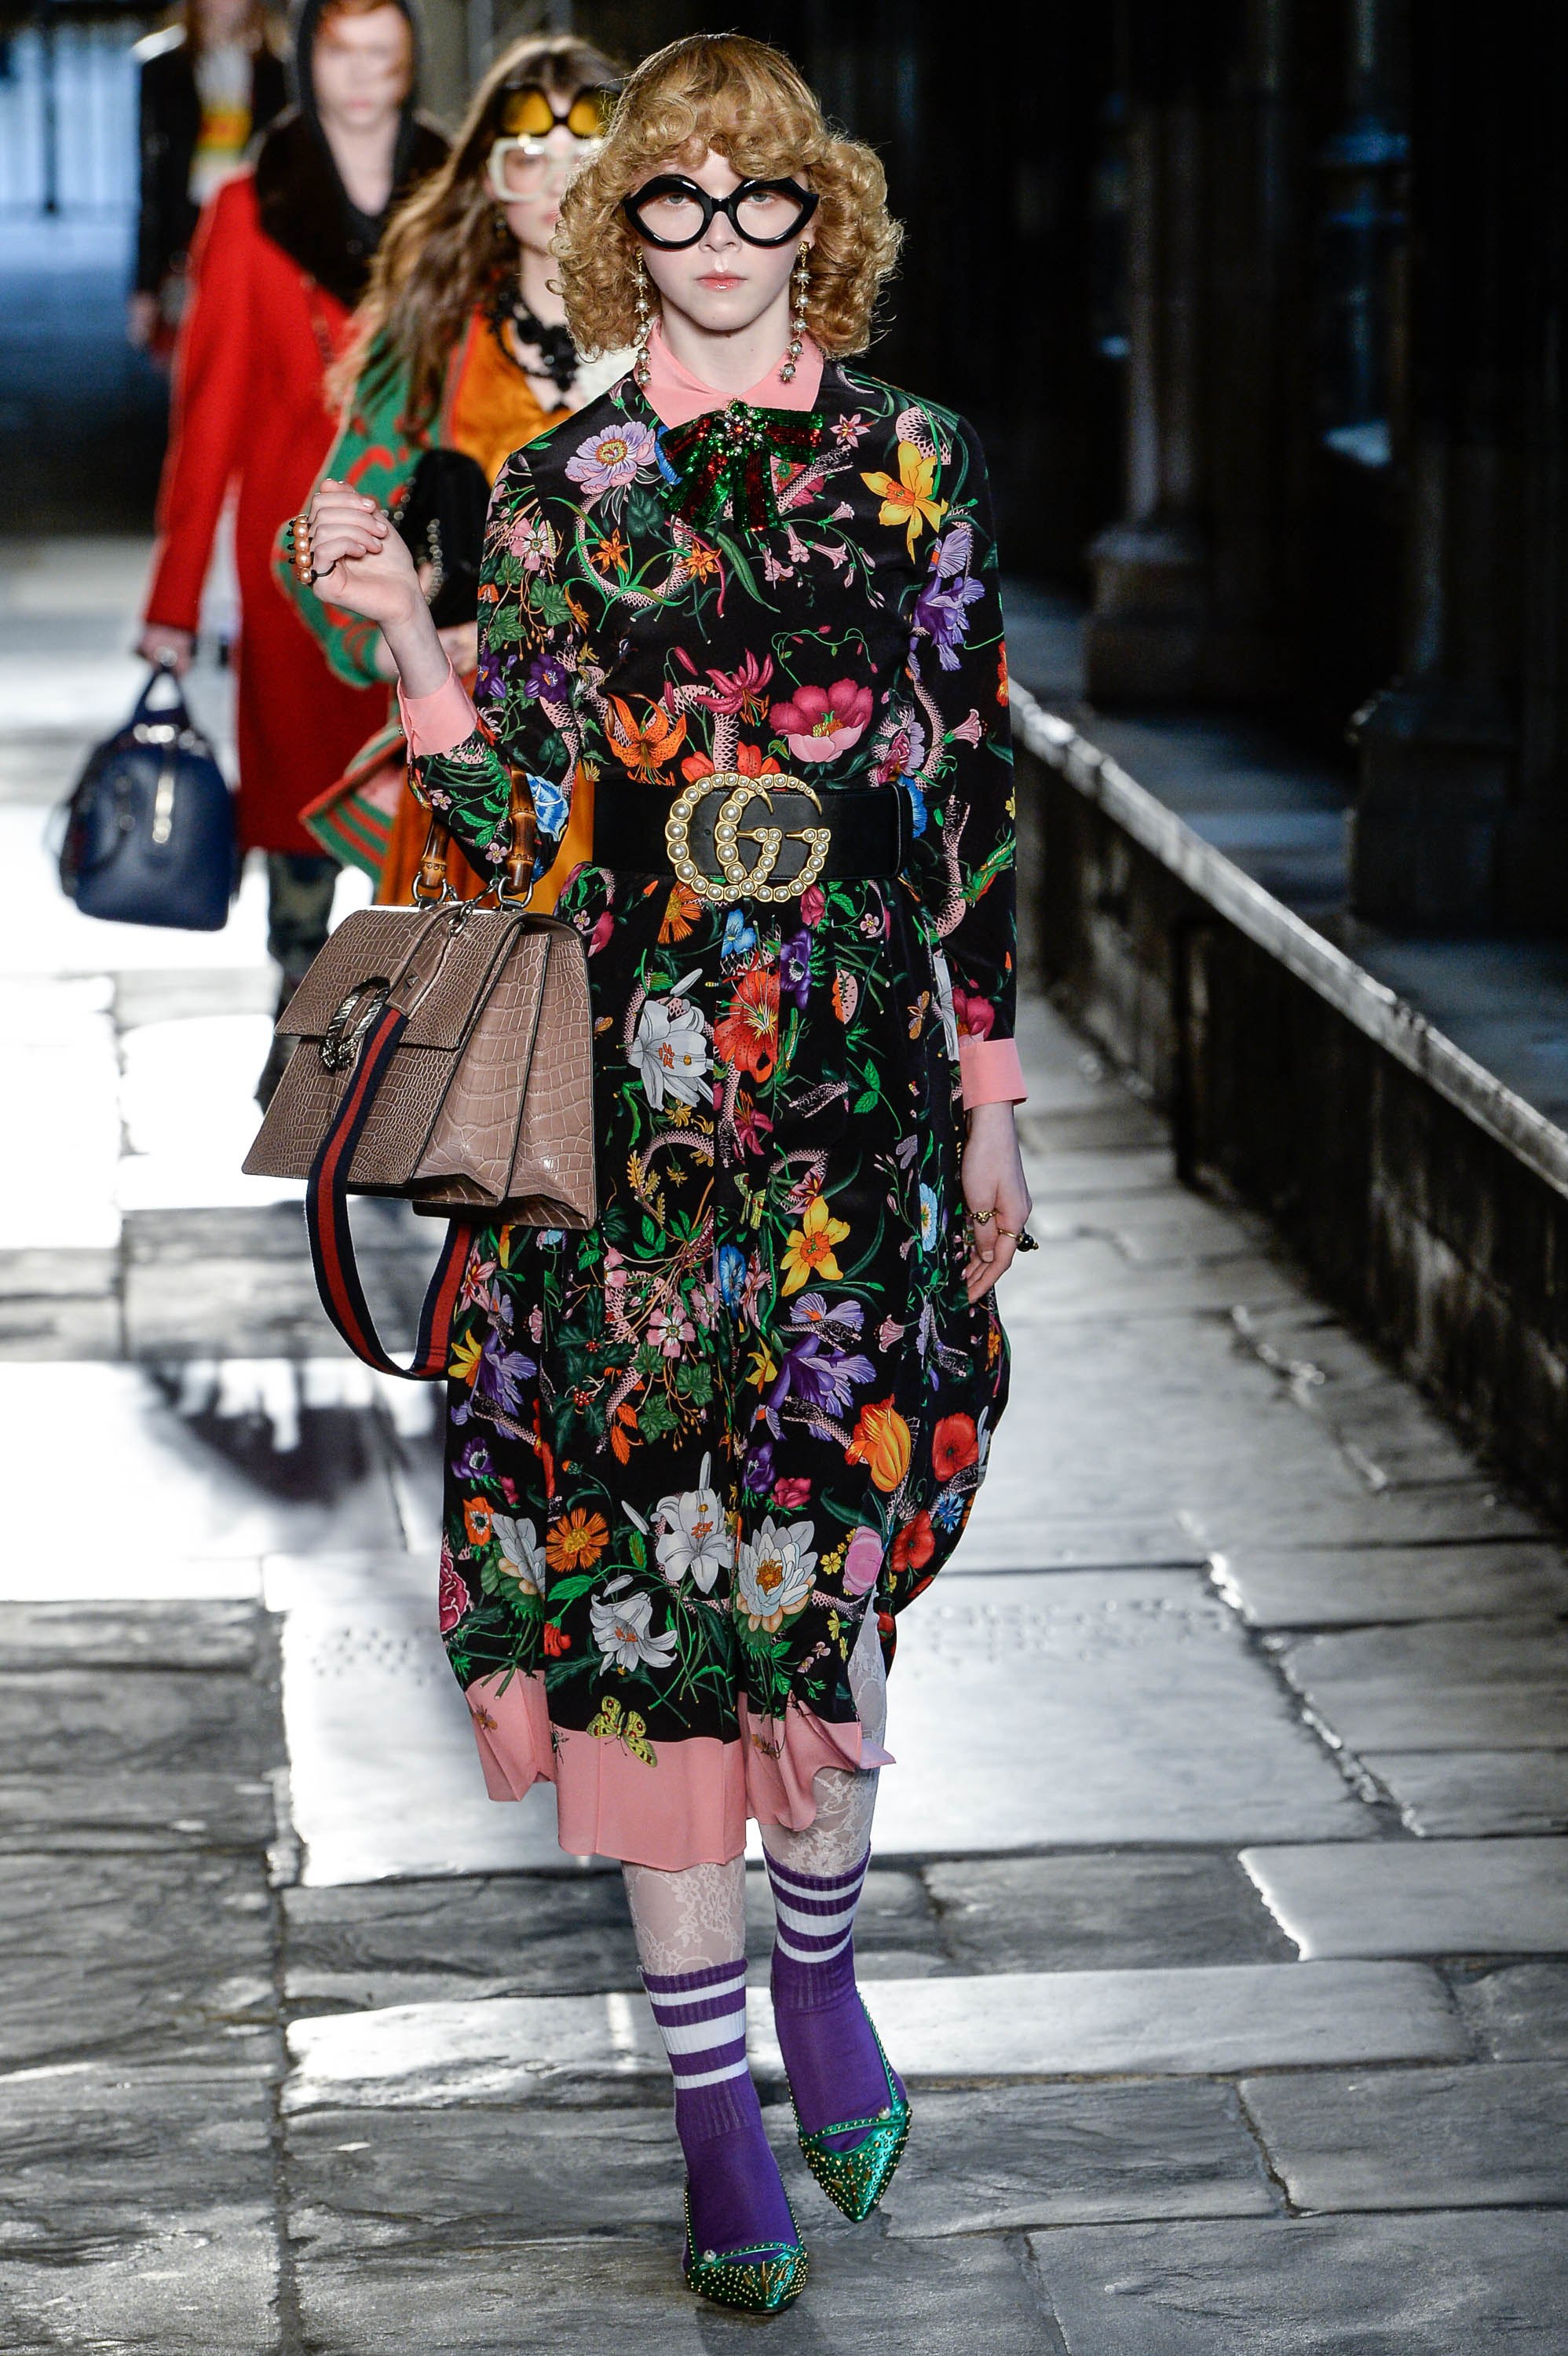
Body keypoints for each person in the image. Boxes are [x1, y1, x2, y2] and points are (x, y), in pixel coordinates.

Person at [296, 29, 1030, 2314]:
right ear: (630, 228)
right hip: (622, 1141)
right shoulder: (566, 494)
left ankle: (816, 1974)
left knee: (823, 1578)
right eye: (678, 204)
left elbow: (966, 799)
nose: (719, 240)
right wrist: (410, 635)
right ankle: (713, 2103)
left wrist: (990, 1091)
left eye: (759, 201)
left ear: (820, 217)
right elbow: (508, 823)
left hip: (855, 1123)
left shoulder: (916, 472)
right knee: (644, 1624)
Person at [136, 0, 446, 1103]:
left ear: (407, 67)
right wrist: (176, 599)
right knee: (299, 789)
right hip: (293, 551)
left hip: (427, 541)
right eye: (341, 53)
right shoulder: (245, 204)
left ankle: (414, 1023)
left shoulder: (452, 197)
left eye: (384, 57)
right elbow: (208, 408)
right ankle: (301, 1006)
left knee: (427, 775)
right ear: (308, 60)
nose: (362, 79)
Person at [276, 28, 627, 910]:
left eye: (585, 157)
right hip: (483, 767)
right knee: (472, 1038)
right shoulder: (435, 344)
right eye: (525, 156)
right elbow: (315, 538)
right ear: (484, 176)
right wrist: (409, 639)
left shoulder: (692, 335)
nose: (555, 182)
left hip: (659, 770)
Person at [130, 0, 287, 362]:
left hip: (257, 237)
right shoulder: (163, 66)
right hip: (189, 239)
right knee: (193, 366)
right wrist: (144, 284)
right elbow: (153, 181)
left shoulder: (280, 68)